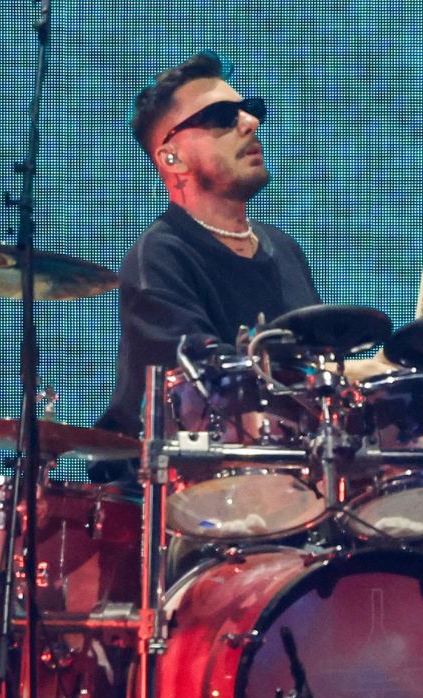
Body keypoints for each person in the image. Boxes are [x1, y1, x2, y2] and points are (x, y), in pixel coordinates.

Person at [92, 49, 323, 453]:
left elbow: (316, 373)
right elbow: (207, 391)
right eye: (222, 117)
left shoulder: (283, 248)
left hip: (280, 476)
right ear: (171, 156)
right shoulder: (160, 256)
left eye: (249, 110)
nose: (251, 123)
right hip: (181, 496)